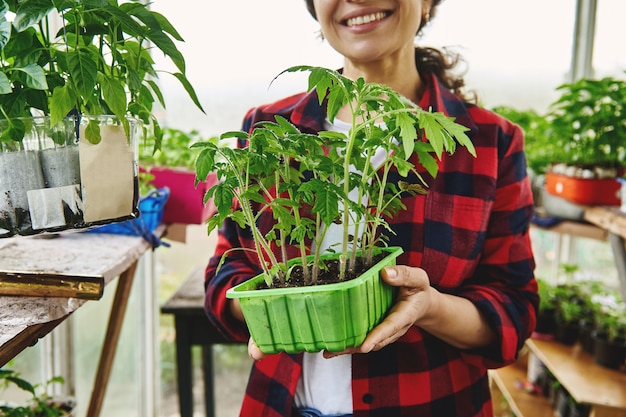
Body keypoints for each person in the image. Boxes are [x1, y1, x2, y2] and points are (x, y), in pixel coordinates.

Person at [204, 0, 539, 416]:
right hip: (280, 404)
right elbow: (226, 273)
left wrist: (430, 307)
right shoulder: (268, 131)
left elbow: (514, 310)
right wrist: (264, 308)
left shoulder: (490, 143)